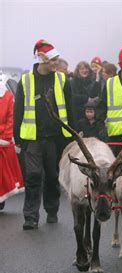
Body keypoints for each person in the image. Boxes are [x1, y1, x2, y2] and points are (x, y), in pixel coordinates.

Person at [14, 39, 74, 229]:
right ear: (41, 58)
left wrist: (72, 137)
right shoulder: (25, 80)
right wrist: (18, 138)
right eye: (53, 59)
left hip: (55, 138)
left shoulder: (62, 80)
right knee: (32, 175)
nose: (56, 62)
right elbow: (18, 110)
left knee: (51, 176)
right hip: (32, 138)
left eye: (57, 59)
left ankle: (52, 209)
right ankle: (30, 217)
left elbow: (70, 109)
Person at [0, 80, 24, 210]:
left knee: (3, 173)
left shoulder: (7, 96)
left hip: (3, 139)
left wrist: (5, 138)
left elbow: (11, 118)